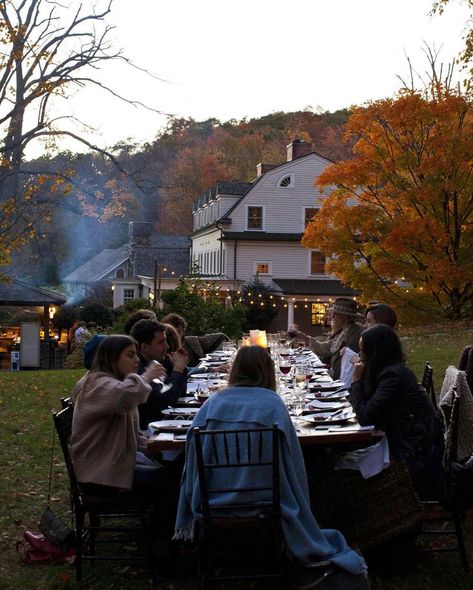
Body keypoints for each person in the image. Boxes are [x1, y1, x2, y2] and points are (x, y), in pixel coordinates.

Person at [174, 346, 368, 585]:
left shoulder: (212, 404)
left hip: (212, 502)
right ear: (268, 371)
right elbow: (293, 463)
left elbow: (192, 454)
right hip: (267, 502)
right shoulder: (273, 405)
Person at [349, 324, 444, 497]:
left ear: (376, 352)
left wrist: (356, 380)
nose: (360, 357)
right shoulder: (391, 372)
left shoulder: (393, 377)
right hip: (409, 444)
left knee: (338, 467)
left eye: (363, 352)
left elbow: (365, 416)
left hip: (416, 456)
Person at [70, 335, 167, 496]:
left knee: (174, 470)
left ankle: (163, 520)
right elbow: (128, 394)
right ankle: (165, 521)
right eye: (130, 355)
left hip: (114, 467)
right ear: (112, 359)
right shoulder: (97, 385)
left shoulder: (113, 383)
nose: (137, 360)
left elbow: (132, 435)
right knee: (169, 480)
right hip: (99, 475)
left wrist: (156, 447)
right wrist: (147, 377)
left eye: (136, 354)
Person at [130, 319, 188, 430]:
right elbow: (166, 401)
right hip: (148, 434)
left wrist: (178, 368)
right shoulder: (139, 370)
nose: (167, 346)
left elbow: (180, 394)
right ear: (145, 347)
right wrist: (178, 369)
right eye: (161, 342)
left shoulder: (154, 362)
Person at [298, 298, 364, 380]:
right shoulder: (342, 330)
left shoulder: (357, 332)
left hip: (345, 383)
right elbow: (327, 348)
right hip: (336, 378)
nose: (332, 316)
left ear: (348, 317)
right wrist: (303, 337)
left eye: (336, 314)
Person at [161, 312, 229, 366]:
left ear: (183, 331)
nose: (176, 334)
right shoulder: (165, 350)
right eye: (173, 331)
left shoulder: (190, 342)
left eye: (178, 331)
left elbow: (220, 337)